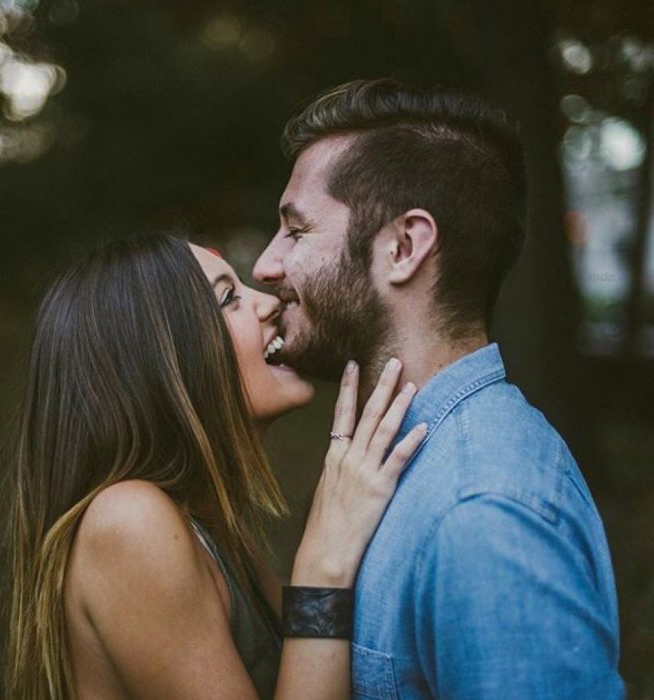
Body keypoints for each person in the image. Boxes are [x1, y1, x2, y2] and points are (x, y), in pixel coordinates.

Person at [253, 78, 624, 698]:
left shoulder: (481, 510)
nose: (266, 265)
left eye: (295, 230)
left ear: (403, 247)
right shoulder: (398, 465)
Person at [2, 232, 427, 699]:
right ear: (164, 362)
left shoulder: (212, 524)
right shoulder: (128, 521)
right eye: (229, 298)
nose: (267, 303)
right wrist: (323, 565)